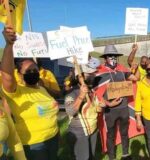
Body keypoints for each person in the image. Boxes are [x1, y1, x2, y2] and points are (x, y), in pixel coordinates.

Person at [2, 26, 59, 160]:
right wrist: (9, 46)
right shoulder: (17, 92)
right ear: (20, 75)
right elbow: (7, 76)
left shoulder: (42, 89)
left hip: (53, 138)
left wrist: (56, 133)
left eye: (35, 70)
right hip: (34, 145)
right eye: (28, 71)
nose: (33, 73)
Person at [95, 44, 138, 160]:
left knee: (124, 132)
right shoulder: (99, 72)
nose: (113, 58)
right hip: (110, 111)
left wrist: (135, 69)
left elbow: (135, 78)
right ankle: (112, 157)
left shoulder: (122, 68)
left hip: (123, 108)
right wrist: (109, 103)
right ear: (105, 58)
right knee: (111, 134)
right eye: (110, 56)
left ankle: (125, 154)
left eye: (114, 56)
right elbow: (95, 93)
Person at [64, 64, 100, 160]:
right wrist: (81, 96)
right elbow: (70, 111)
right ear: (80, 77)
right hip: (79, 132)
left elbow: (96, 106)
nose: (93, 76)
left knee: (91, 157)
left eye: (93, 73)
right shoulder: (72, 92)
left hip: (93, 130)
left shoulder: (91, 90)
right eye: (89, 74)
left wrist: (102, 106)